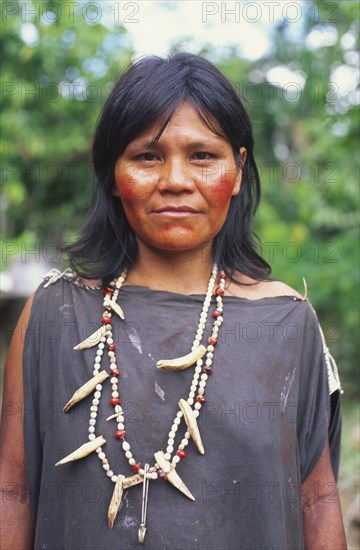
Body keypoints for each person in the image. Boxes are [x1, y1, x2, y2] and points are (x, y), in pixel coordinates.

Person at [1, 52, 346, 549]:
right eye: (147, 157)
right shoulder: (55, 312)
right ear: (113, 176)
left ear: (239, 167)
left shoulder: (287, 322)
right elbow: (12, 494)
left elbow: (317, 502)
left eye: (203, 156)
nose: (176, 181)